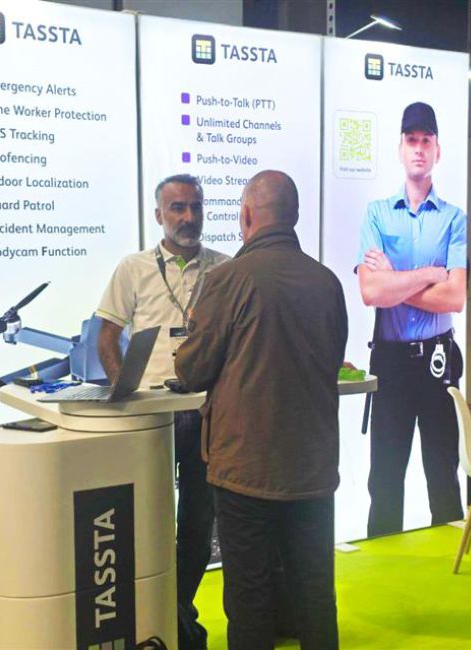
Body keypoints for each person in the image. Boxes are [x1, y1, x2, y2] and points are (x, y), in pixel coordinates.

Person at [175, 170, 348, 650]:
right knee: (316, 594)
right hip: (313, 468)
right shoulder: (327, 282)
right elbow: (332, 359)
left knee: (249, 598)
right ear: (295, 216)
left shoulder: (227, 280)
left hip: (244, 469)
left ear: (247, 216)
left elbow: (192, 371)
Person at [96, 173, 228, 650]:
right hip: (152, 414)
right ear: (158, 215)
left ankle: (177, 611)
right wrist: (125, 392)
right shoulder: (133, 268)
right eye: (177, 208)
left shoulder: (224, 269)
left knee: (198, 518)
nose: (188, 217)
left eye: (195, 206)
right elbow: (106, 337)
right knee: (148, 517)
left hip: (205, 409)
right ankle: (157, 615)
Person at [356, 102, 467, 537]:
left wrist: (396, 279)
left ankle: (451, 564)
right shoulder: (377, 214)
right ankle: (382, 564)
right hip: (391, 361)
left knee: (443, 474)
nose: (419, 148)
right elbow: (371, 292)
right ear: (400, 148)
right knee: (384, 480)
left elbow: (454, 297)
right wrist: (427, 275)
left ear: (438, 150)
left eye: (426, 141)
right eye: (411, 140)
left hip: (439, 360)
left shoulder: (454, 219)